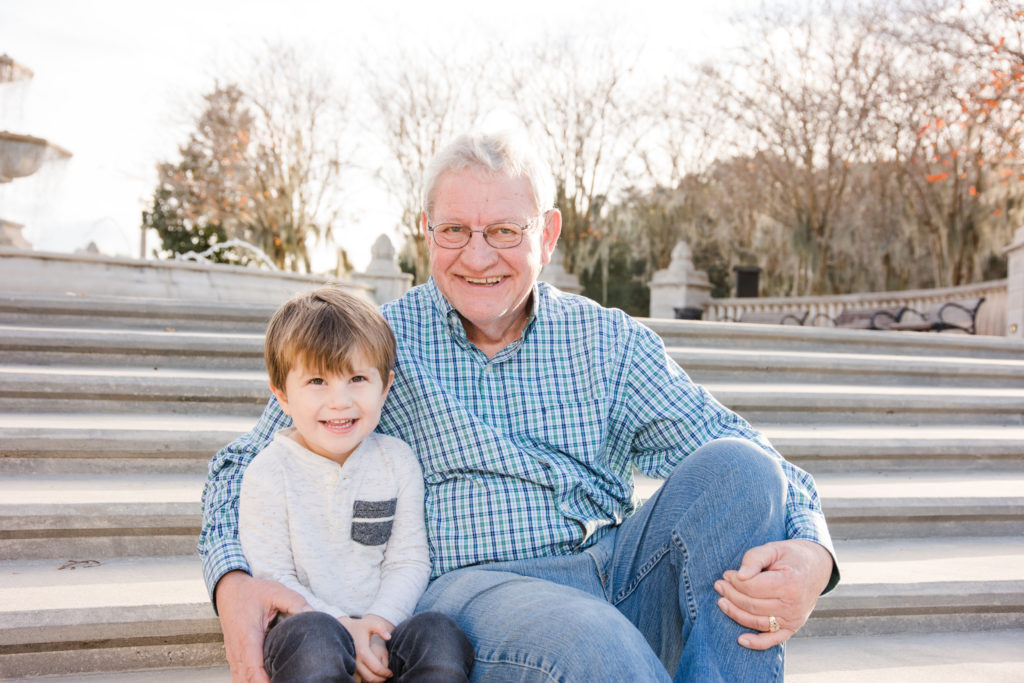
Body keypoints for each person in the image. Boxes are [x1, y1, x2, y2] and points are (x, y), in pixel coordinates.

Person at [200, 129, 839, 682]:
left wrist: (814, 553)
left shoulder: (604, 340)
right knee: (595, 643)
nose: (477, 257)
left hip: (616, 567)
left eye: (504, 231)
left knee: (741, 470)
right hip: (481, 591)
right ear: (426, 231)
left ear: (549, 233)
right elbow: (242, 467)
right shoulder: (381, 343)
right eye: (453, 231)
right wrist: (234, 584)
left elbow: (741, 446)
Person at [237, 287, 473, 682]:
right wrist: (344, 625)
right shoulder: (267, 472)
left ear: (385, 387)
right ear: (281, 395)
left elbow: (408, 560)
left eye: (357, 378)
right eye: (317, 381)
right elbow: (274, 577)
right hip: (307, 626)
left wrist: (378, 625)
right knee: (314, 642)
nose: (339, 401)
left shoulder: (396, 461)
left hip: (385, 627)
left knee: (440, 634)